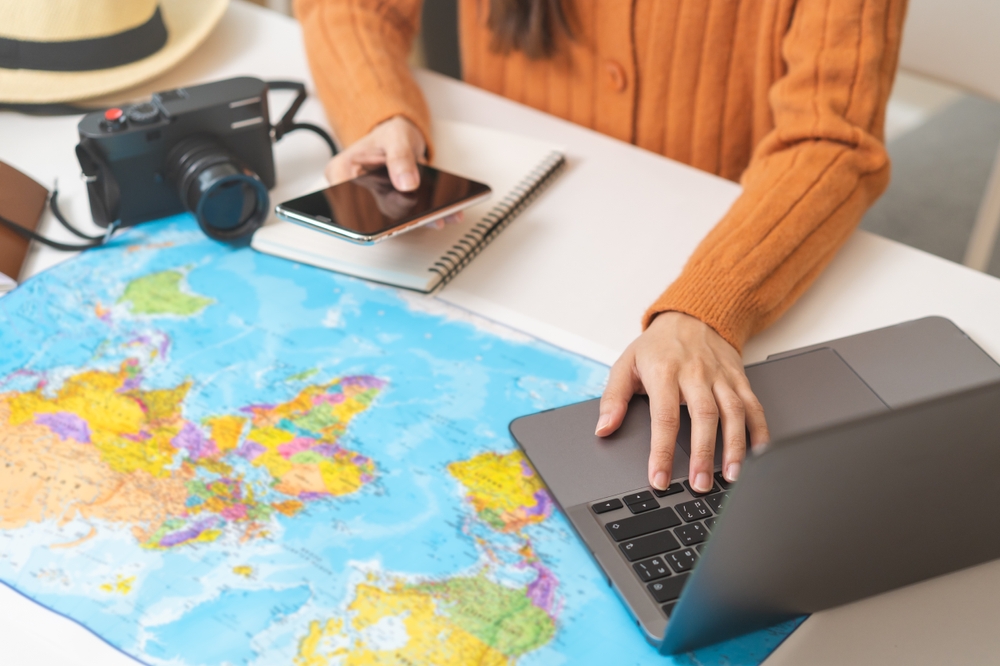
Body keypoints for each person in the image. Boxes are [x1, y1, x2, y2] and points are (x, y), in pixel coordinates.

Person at [294, 0, 907, 493]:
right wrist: (380, 113)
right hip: (511, 256)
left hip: (717, 239)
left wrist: (708, 306)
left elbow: (833, 139)